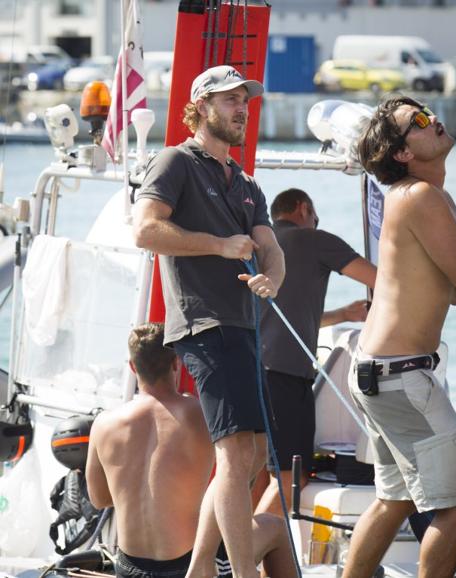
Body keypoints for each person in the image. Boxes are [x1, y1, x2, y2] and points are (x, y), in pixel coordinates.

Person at [132, 65, 285, 578]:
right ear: (200, 108)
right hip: (204, 325)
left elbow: (270, 246)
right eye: (229, 100)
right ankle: (238, 574)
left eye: (245, 100)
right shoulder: (175, 160)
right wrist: (220, 246)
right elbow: (146, 231)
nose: (241, 108)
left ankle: (199, 570)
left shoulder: (244, 182)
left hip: (241, 326)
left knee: (253, 453)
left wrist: (275, 278)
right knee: (238, 452)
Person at [343, 96, 456, 578]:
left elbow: (451, 291)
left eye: (429, 113)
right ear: (402, 153)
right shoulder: (420, 197)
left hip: (377, 373)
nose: (435, 120)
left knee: (395, 498)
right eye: (419, 122)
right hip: (400, 377)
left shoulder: (413, 198)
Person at [86, 322, 297, 578]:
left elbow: (99, 499)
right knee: (275, 528)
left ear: (132, 366)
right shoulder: (201, 413)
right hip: (188, 566)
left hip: (129, 568)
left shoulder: (104, 424)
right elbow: (247, 463)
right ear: (177, 363)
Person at [254, 188, 377, 516]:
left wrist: (344, 315)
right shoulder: (314, 240)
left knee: (252, 476)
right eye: (315, 219)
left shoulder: (258, 244)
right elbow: (381, 279)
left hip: (249, 371)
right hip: (284, 376)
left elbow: (288, 314)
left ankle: (246, 560)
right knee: (290, 481)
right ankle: (245, 561)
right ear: (302, 209)